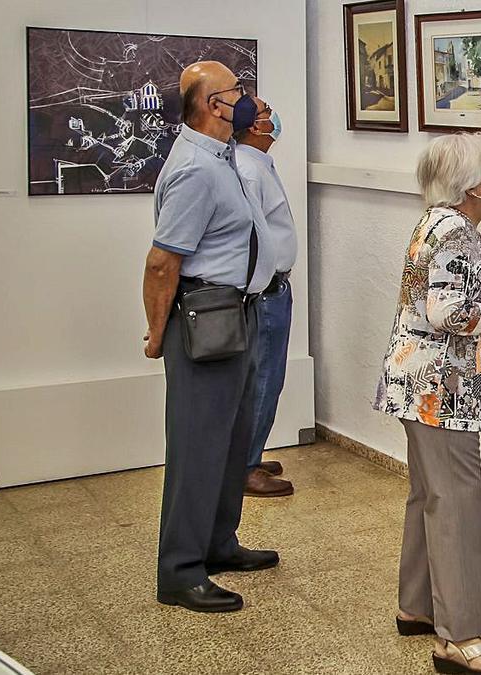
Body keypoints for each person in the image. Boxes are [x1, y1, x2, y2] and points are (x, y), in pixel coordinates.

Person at [373, 133, 481, 673]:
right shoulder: (455, 230)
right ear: (467, 184)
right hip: (442, 392)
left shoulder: (434, 221)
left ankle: (417, 606)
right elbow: (446, 312)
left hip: (420, 386)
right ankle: (462, 636)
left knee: (429, 495)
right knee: (456, 501)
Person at [142, 61, 279, 613]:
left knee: (230, 441)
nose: (245, 99)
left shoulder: (223, 157)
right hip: (205, 318)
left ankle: (219, 544)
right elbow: (162, 262)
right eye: (235, 92)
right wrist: (157, 333)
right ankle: (179, 570)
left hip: (237, 313)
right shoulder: (196, 169)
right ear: (210, 105)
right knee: (198, 447)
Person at [235, 97, 297, 498]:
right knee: (263, 379)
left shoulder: (259, 163)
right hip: (265, 291)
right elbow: (248, 236)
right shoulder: (246, 169)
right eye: (266, 111)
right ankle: (245, 466)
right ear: (255, 127)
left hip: (274, 286)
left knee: (266, 377)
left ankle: (250, 454)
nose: (274, 115)